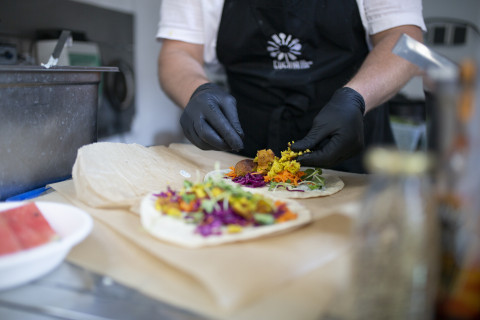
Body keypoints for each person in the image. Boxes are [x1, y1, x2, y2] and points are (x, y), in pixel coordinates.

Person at [156, 0, 426, 173]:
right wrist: (197, 90)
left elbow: (405, 41)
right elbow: (178, 52)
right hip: (246, 147)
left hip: (351, 140)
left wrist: (356, 98)